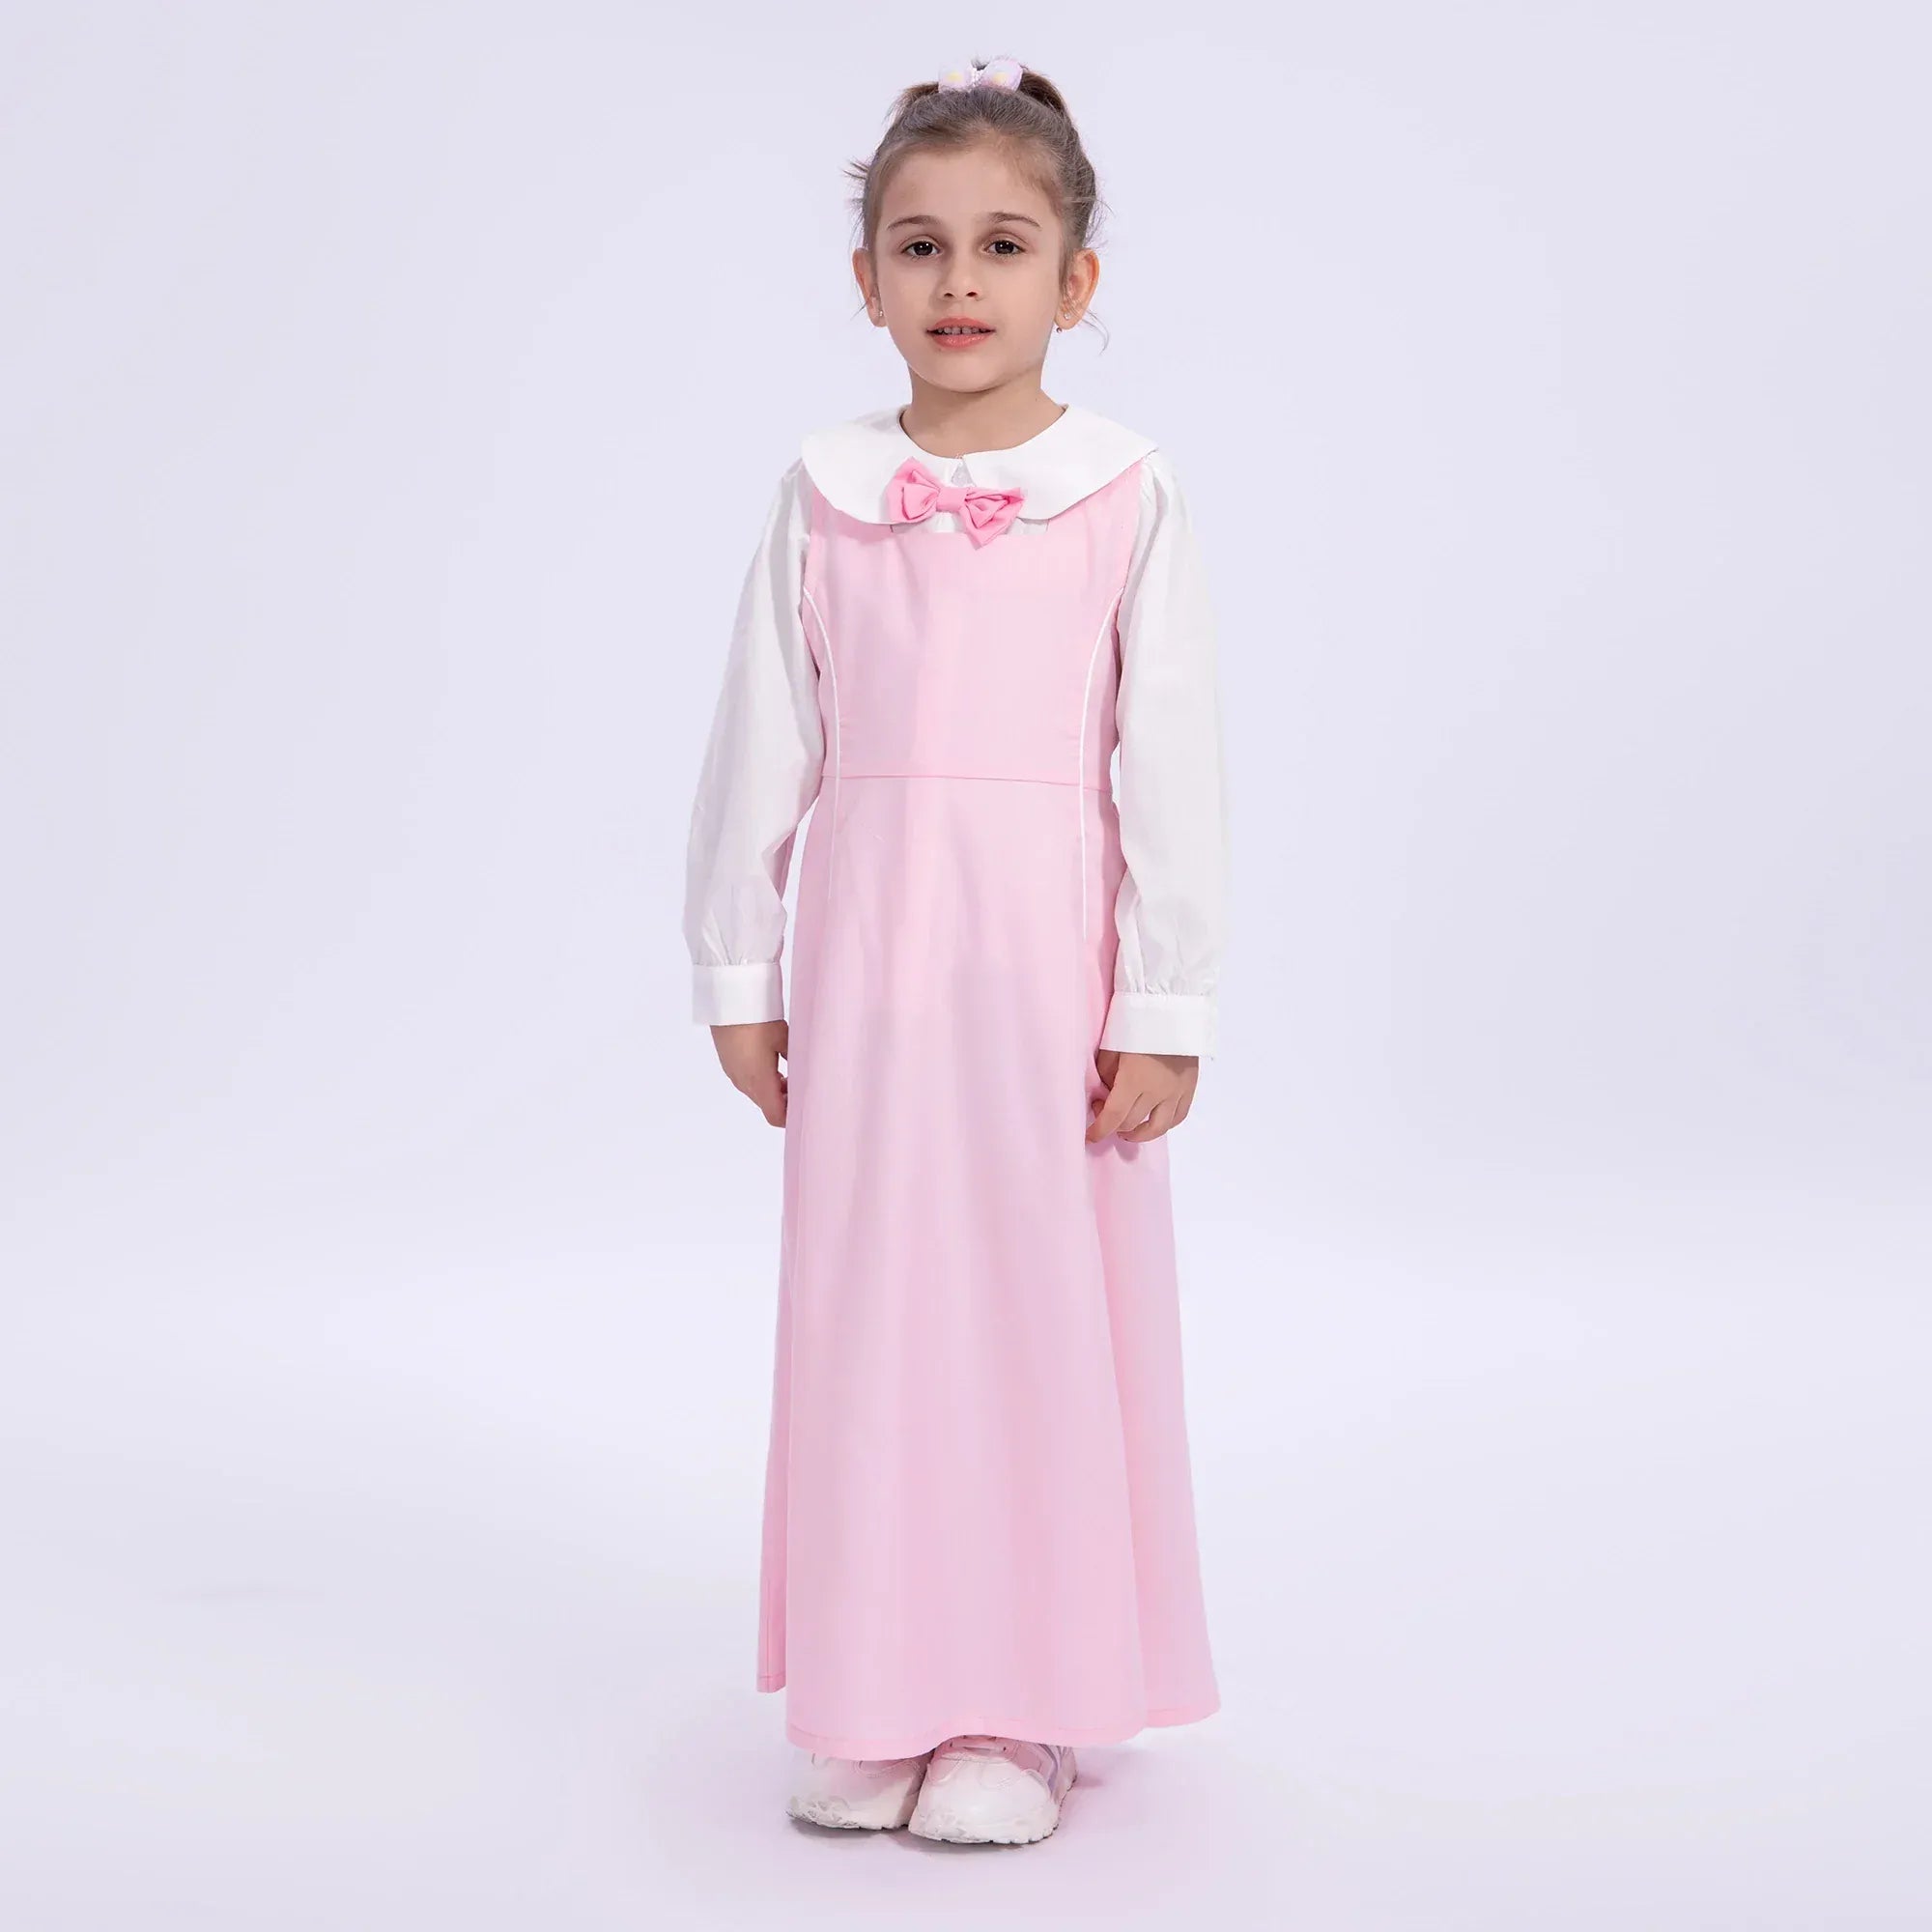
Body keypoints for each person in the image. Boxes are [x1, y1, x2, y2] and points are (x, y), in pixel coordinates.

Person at [682, 51, 1230, 1846]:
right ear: (867, 280)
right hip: (872, 968)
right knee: (872, 1312)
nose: (961, 282)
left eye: (1005, 245)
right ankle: (879, 1687)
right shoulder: (827, 491)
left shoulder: (1125, 491)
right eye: (919, 246)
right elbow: (762, 738)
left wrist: (1164, 998)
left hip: (1042, 978)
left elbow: (1171, 763)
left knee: (1033, 1313)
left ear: (1078, 278)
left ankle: (1024, 1703)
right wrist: (742, 968)